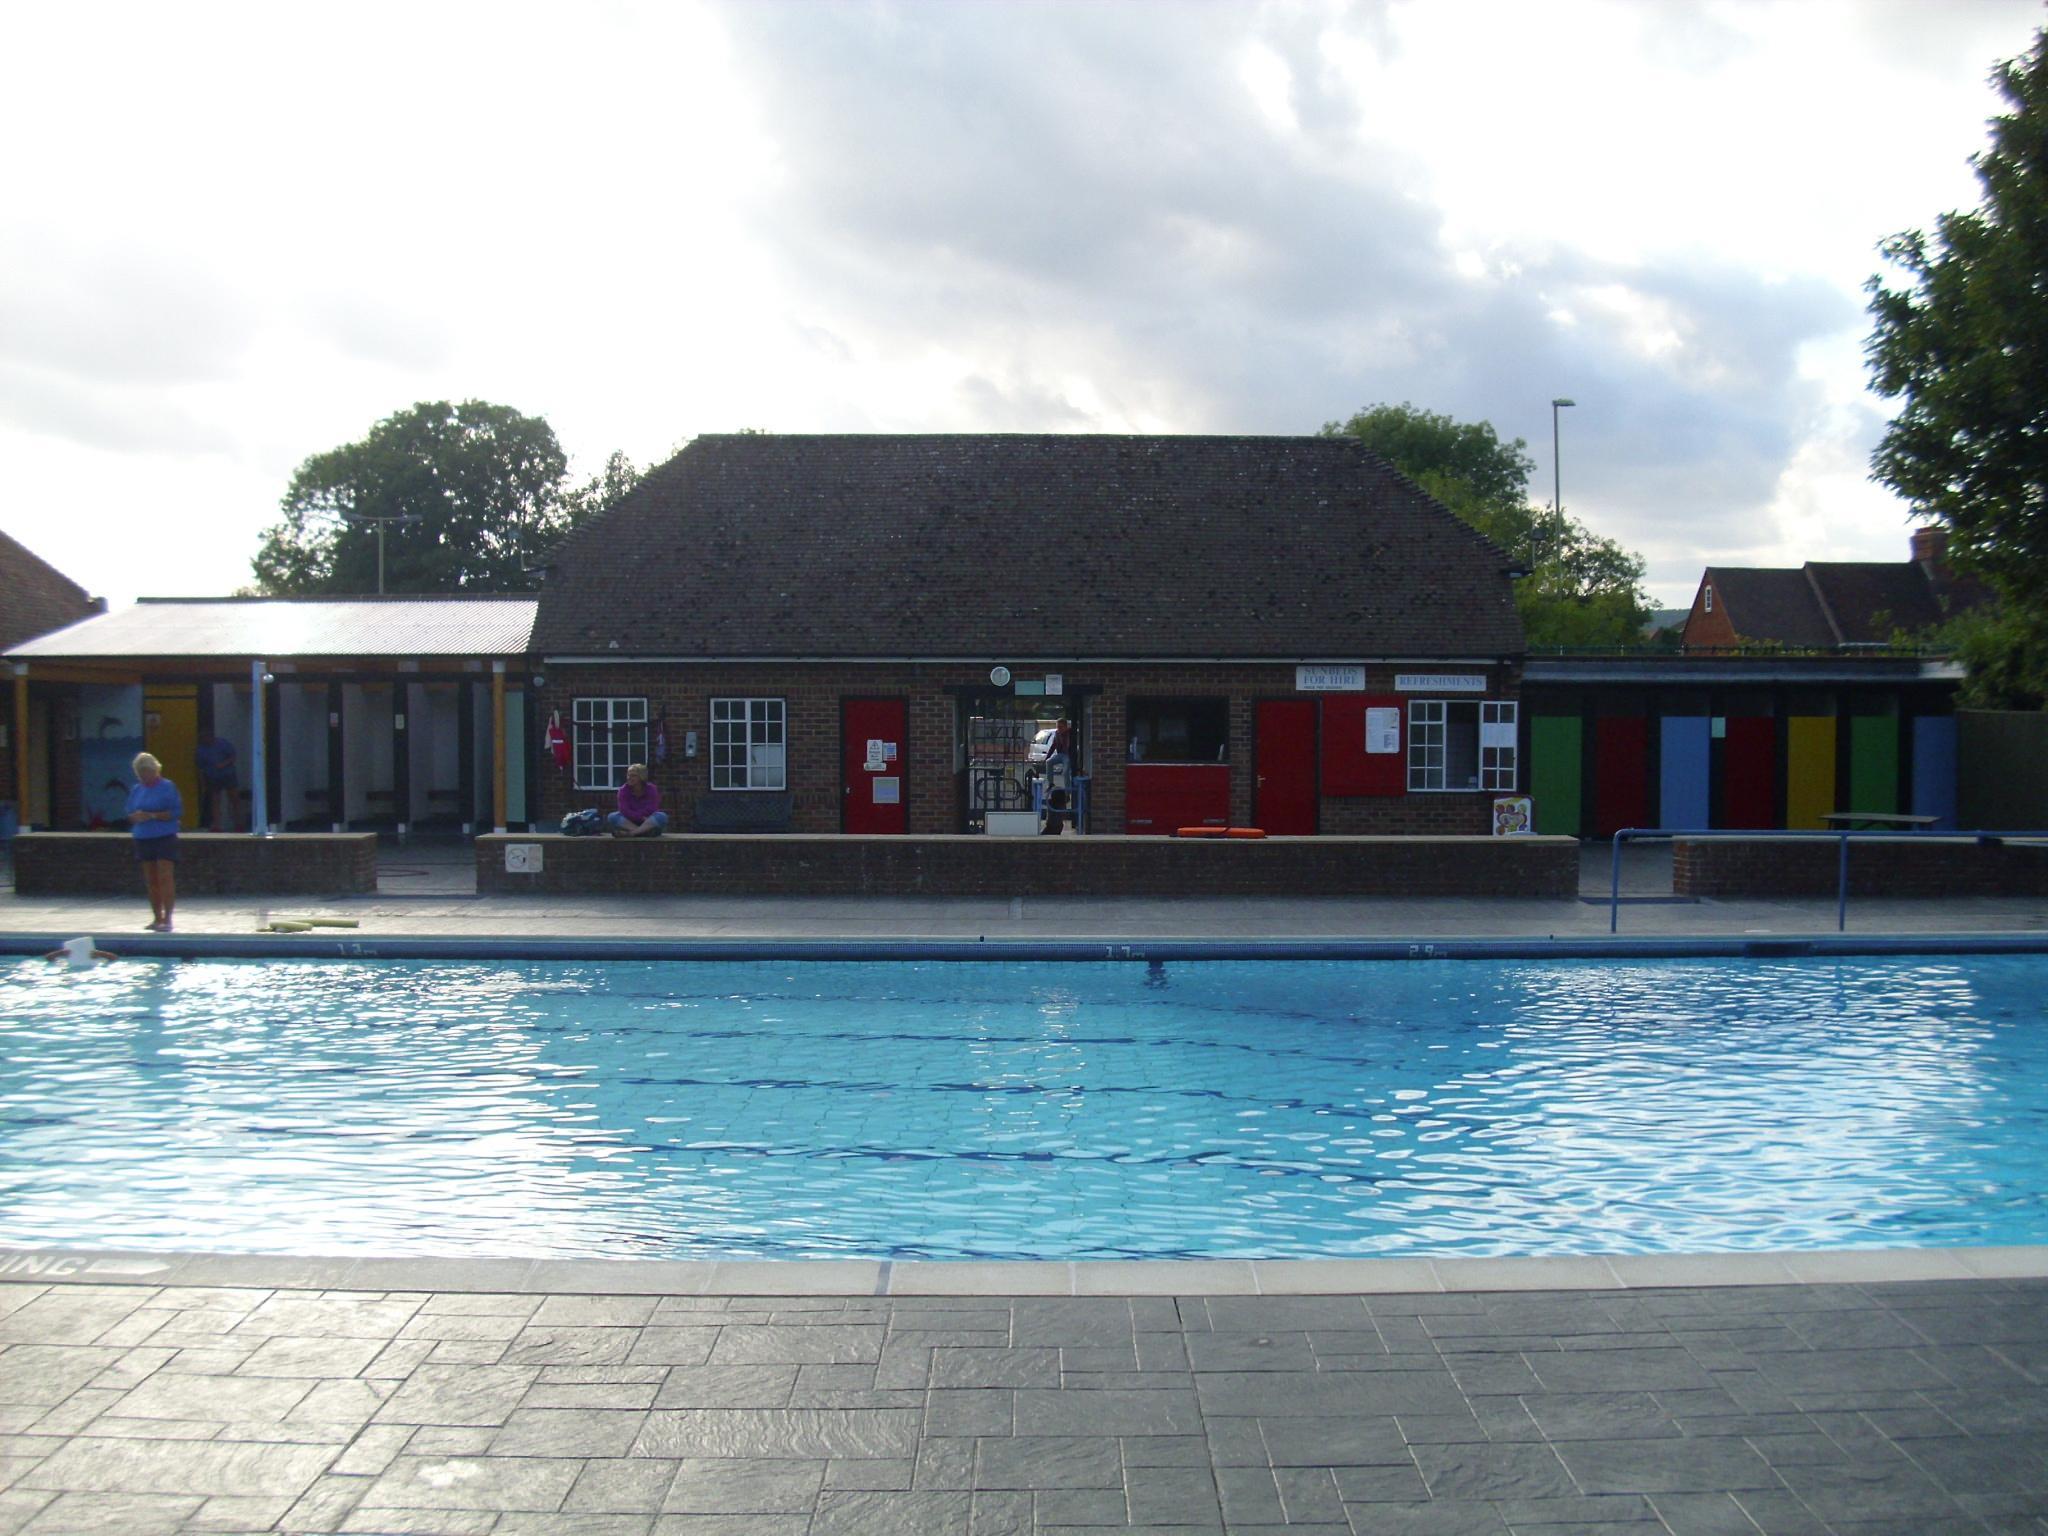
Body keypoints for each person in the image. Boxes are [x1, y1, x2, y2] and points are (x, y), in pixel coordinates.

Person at [126, 752, 182, 932]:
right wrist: (136, 817)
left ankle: (168, 918)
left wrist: (152, 815)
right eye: (140, 774)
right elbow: (129, 812)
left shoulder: (167, 787)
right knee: (151, 880)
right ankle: (156, 917)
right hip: (143, 837)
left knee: (165, 877)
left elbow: (175, 812)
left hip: (164, 836)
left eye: (146, 773)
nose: (144, 777)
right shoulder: (136, 790)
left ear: (154, 770)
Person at [607, 762, 668, 836]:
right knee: (612, 816)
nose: (629, 778)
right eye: (628, 775)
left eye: (633, 776)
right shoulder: (623, 790)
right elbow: (624, 810)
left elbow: (652, 808)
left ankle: (631, 833)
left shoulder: (652, 789)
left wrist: (642, 817)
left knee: (662, 816)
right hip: (630, 821)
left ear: (641, 777)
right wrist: (640, 817)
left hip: (648, 820)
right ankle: (644, 832)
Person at [195, 729, 238, 832]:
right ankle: (217, 826)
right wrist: (203, 783)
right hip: (213, 777)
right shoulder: (201, 750)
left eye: (207, 738)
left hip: (228, 775)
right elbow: (200, 767)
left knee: (234, 800)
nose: (205, 740)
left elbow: (233, 756)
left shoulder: (223, 744)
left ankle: (238, 824)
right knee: (215, 801)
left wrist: (223, 764)